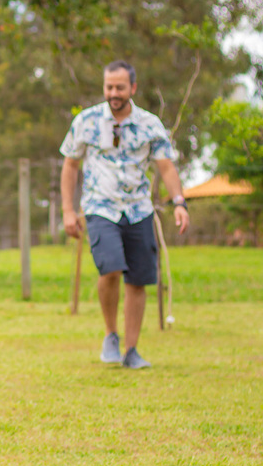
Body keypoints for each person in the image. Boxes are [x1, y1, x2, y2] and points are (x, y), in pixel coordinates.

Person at [60, 61, 190, 369]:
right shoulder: (87, 121)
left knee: (139, 279)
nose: (113, 93)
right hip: (100, 207)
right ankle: (110, 334)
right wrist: (68, 210)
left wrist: (180, 203)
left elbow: (166, 166)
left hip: (138, 209)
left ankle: (131, 351)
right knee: (111, 269)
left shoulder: (150, 124)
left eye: (119, 87)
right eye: (109, 87)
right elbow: (70, 166)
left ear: (133, 88)